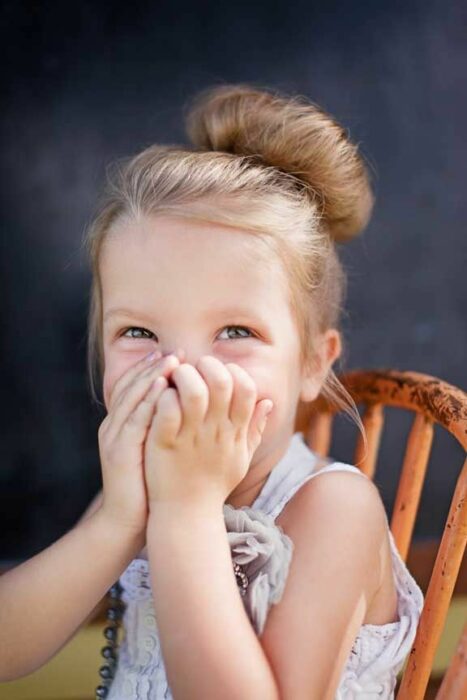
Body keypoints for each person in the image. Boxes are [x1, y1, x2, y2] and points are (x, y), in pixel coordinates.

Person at [0, 83, 424, 699]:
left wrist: (186, 513)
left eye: (235, 331)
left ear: (311, 363)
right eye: (139, 331)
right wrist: (119, 519)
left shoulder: (333, 509)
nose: (182, 370)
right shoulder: (142, 487)